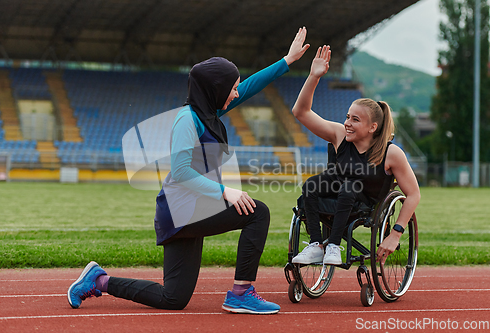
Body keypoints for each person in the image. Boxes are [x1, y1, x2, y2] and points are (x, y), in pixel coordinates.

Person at [68, 28, 311, 314]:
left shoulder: (210, 110)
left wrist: (287, 60)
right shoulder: (187, 120)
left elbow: (249, 87)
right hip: (182, 210)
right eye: (232, 87)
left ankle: (100, 280)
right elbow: (181, 172)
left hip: (190, 210)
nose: (236, 93)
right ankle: (241, 293)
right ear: (215, 89)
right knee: (258, 212)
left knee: (173, 299)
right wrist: (226, 192)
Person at [290, 45, 420, 266]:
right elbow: (300, 112)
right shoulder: (340, 135)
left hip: (365, 205)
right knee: (311, 186)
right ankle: (317, 245)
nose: (347, 123)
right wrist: (313, 76)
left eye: (355, 120)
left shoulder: (391, 153)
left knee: (349, 188)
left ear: (372, 128)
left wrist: (396, 233)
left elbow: (414, 194)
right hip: (338, 194)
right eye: (347, 117)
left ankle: (333, 245)